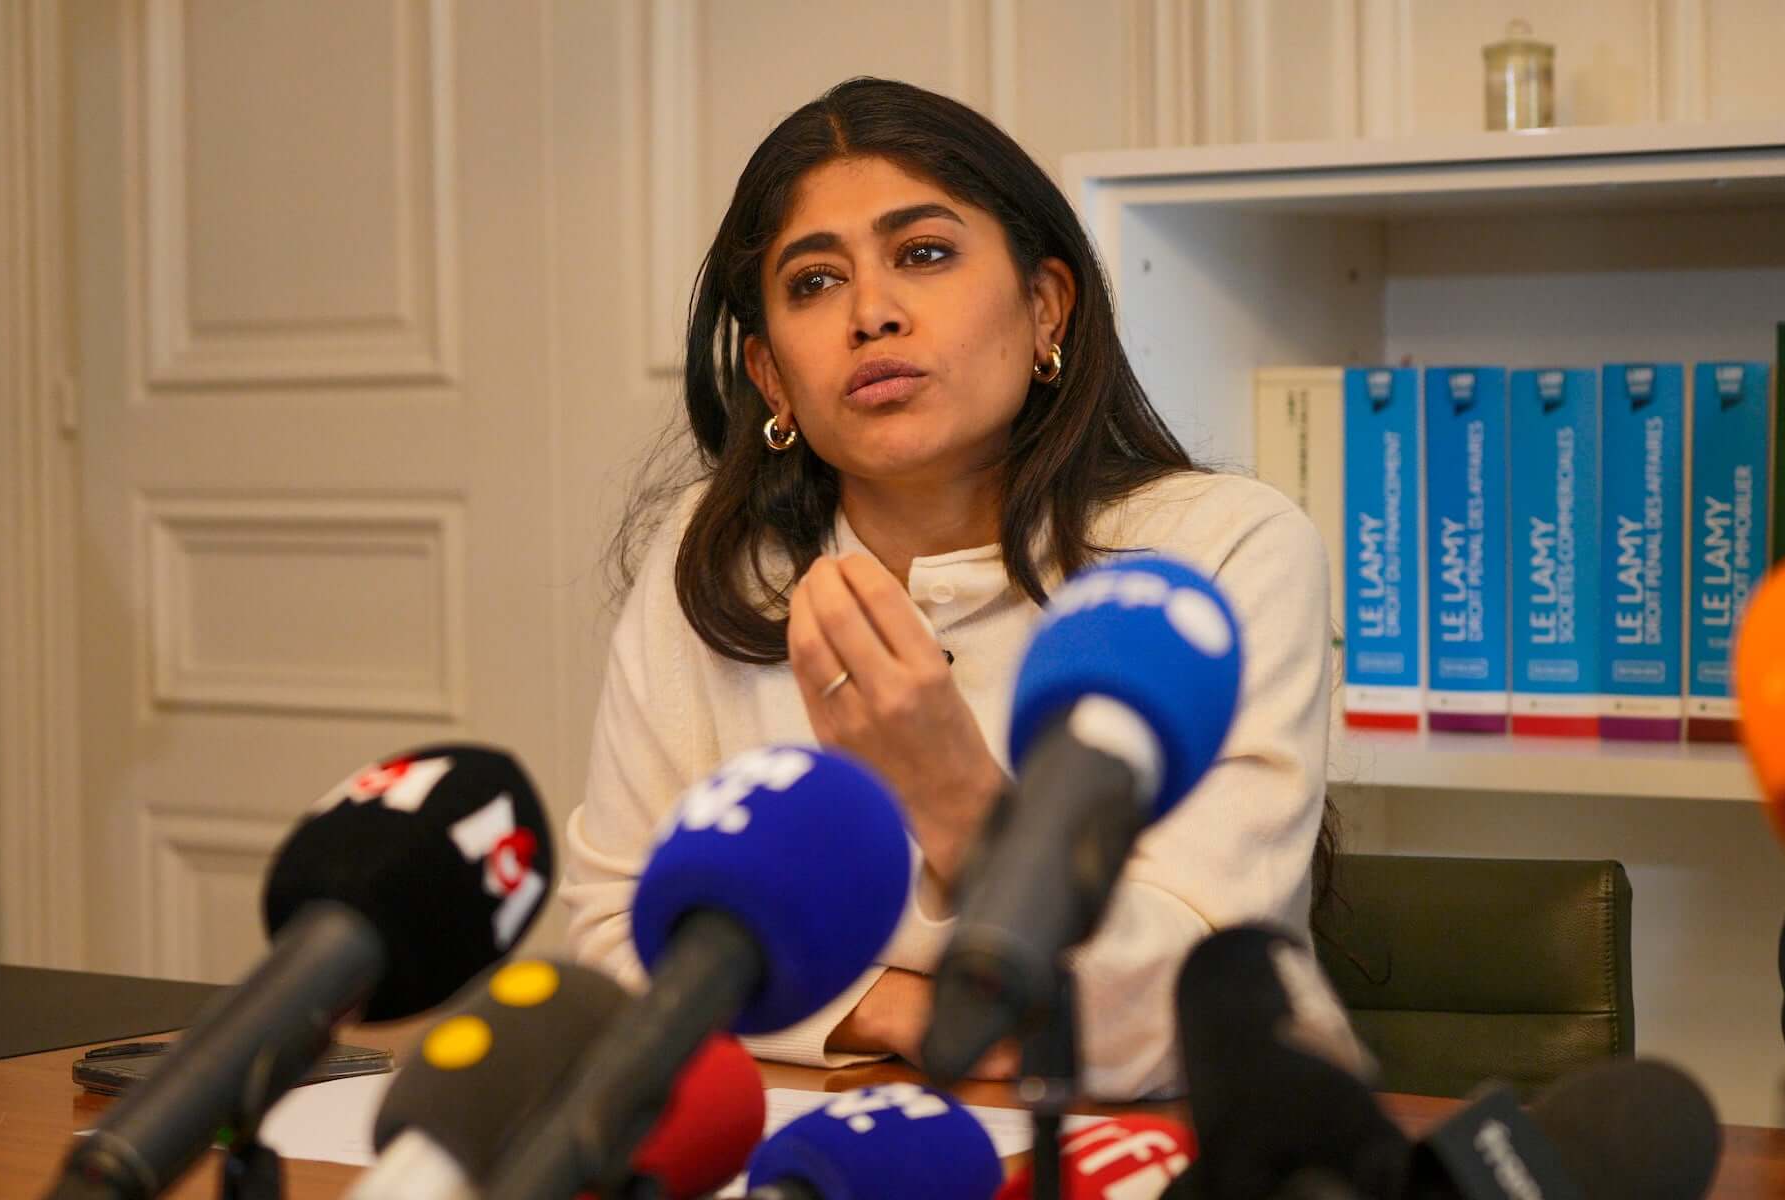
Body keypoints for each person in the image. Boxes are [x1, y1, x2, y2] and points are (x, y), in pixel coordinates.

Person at [561, 77, 1330, 1100]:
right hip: (827, 1137)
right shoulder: (714, 566)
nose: (872, 314)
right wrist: (897, 1012)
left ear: (1046, 306)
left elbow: (1184, 1018)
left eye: (923, 254)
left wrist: (954, 794)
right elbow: (616, 936)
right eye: (813, 282)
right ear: (772, 377)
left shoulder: (1217, 558)